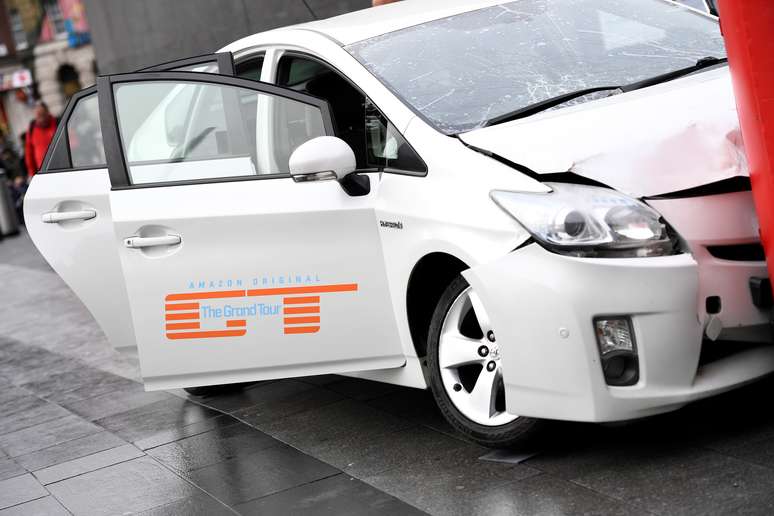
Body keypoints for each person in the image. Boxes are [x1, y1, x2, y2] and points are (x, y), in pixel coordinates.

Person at [24, 101, 57, 178]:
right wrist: (33, 175)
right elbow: (29, 154)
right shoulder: (32, 128)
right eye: (38, 116)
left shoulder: (58, 123)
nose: (41, 119)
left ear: (48, 112)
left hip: (60, 170)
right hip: (42, 174)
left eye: (43, 115)